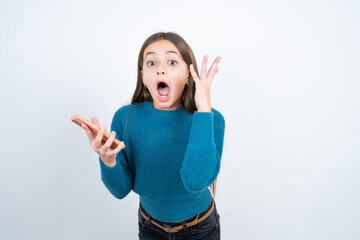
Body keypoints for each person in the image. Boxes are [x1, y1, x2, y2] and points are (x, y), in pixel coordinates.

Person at [81, 32, 225, 239]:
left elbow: (195, 181)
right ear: (143, 77)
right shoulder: (125, 118)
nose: (160, 69)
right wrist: (107, 159)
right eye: (151, 63)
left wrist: (203, 110)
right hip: (151, 229)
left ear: (187, 76)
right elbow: (121, 190)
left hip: (201, 229)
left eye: (172, 61)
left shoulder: (212, 119)